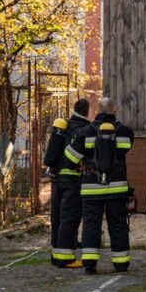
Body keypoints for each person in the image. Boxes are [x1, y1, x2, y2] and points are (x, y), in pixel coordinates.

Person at [72, 97, 134, 274]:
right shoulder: (125, 132)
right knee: (118, 225)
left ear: (97, 111)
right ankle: (121, 263)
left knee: (91, 224)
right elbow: (126, 148)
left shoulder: (85, 131)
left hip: (91, 187)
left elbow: (71, 157)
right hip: (117, 187)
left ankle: (90, 265)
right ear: (114, 111)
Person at [43, 97, 91, 268]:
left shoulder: (66, 126)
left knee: (56, 217)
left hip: (56, 179)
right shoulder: (84, 129)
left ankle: (56, 255)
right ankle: (65, 258)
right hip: (72, 178)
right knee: (69, 217)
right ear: (87, 111)